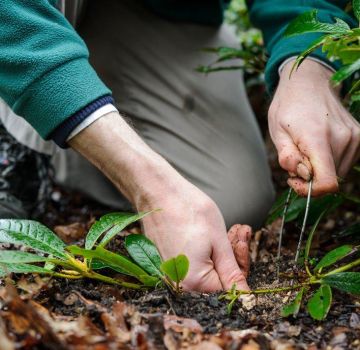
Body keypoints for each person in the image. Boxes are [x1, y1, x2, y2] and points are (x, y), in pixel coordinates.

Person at [0, 0, 358, 292]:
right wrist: (152, 189)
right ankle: (19, 133)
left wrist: (309, 65)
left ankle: (71, 117)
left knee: (232, 202)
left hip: (158, 15)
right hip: (23, 15)